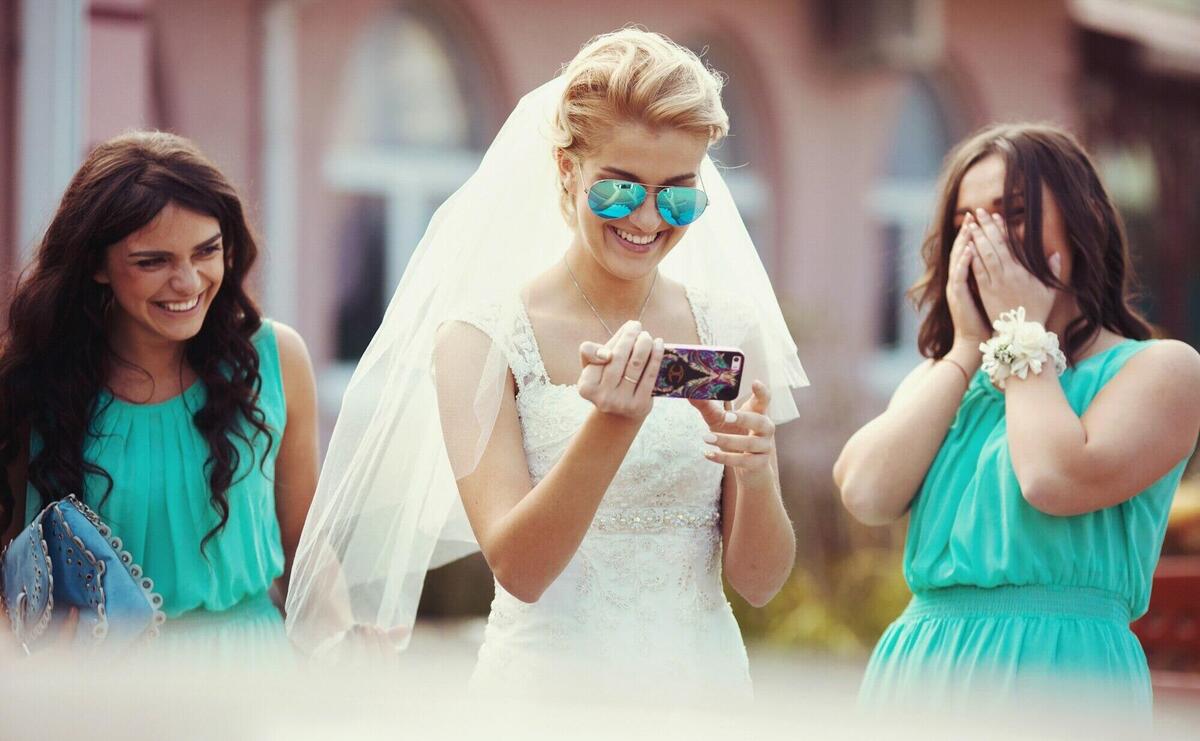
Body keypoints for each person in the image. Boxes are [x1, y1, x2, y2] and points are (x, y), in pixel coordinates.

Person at [285, 28, 809, 702]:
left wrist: (757, 474)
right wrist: (611, 424)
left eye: (678, 195)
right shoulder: (481, 336)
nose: (648, 218)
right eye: (621, 190)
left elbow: (761, 583)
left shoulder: (728, 327)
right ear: (567, 168)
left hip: (703, 690)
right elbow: (520, 568)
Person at [834, 123, 1200, 714]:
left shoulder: (1161, 370)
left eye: (1015, 213)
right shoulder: (945, 378)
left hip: (1062, 677)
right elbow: (866, 493)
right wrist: (963, 351)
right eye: (965, 223)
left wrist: (1023, 334)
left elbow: (1053, 478)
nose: (985, 238)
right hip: (920, 675)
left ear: (1083, 225)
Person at [0, 131, 320, 661]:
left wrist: (344, 635)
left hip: (252, 679)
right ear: (97, 265)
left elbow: (305, 543)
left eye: (206, 251)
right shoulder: (27, 384)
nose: (188, 281)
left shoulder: (276, 359)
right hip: (91, 698)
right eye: (154, 261)